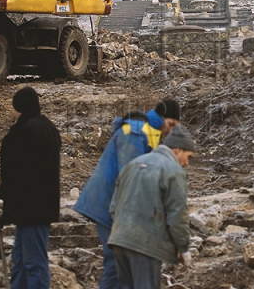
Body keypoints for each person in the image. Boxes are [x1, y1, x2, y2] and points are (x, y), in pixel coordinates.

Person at [73, 99, 182, 289]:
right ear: (162, 119)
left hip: (113, 204)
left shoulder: (148, 133)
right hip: (107, 204)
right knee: (115, 263)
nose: (171, 131)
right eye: (171, 125)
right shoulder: (135, 132)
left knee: (118, 265)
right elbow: (129, 177)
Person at [0, 87, 61, 289]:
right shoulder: (48, 128)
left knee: (34, 262)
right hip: (38, 207)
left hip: (32, 210)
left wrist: (2, 193)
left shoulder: (28, 131)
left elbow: (22, 173)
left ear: (17, 106)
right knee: (20, 260)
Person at [107, 124, 195, 289]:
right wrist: (183, 248)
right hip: (145, 245)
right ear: (177, 150)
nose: (187, 163)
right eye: (188, 156)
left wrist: (124, 230)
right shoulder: (174, 171)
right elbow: (178, 215)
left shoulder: (133, 164)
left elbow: (113, 207)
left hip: (119, 240)